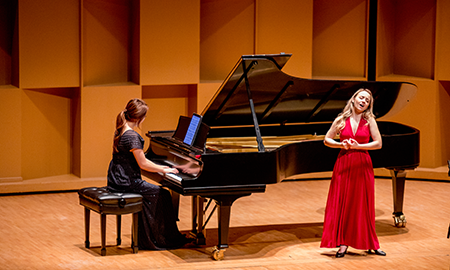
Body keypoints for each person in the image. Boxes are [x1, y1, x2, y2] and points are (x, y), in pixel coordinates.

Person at [107, 98, 190, 250]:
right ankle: (160, 238)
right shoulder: (132, 136)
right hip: (127, 182)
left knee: (160, 194)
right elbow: (143, 164)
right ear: (140, 118)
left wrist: (158, 166)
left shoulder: (120, 129)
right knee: (163, 195)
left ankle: (158, 235)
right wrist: (165, 169)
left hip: (117, 178)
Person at [320, 89, 386, 258]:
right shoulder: (341, 119)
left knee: (363, 205)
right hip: (344, 162)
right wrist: (341, 145)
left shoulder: (369, 120)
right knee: (344, 203)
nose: (363, 101)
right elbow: (327, 139)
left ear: (368, 105)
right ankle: (342, 243)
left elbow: (378, 144)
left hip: (362, 164)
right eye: (361, 97)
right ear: (354, 99)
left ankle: (371, 243)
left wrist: (358, 146)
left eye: (367, 100)